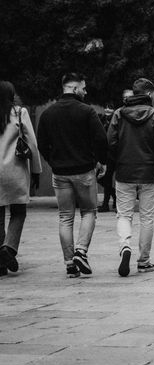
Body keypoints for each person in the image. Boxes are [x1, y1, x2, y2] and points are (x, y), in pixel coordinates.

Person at [37, 73, 108, 277]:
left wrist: (54, 161)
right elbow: (101, 139)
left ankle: (69, 263)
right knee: (89, 211)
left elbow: (42, 144)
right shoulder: (86, 112)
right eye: (83, 88)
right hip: (84, 170)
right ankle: (81, 251)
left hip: (60, 173)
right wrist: (101, 161)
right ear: (75, 88)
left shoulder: (48, 113)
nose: (85, 92)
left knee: (65, 217)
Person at [107, 78, 154, 277]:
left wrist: (120, 159)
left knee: (124, 214)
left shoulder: (119, 114)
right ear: (150, 94)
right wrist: (152, 160)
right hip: (148, 173)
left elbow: (110, 142)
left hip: (124, 172)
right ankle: (144, 261)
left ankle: (125, 245)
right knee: (147, 217)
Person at [0, 81, 42, 276]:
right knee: (18, 212)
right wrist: (36, 170)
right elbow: (31, 144)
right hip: (14, 171)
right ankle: (8, 249)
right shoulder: (19, 112)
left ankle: (0, 264)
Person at [98, 105, 116, 212]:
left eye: (110, 108)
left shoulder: (117, 118)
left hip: (115, 154)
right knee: (102, 178)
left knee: (111, 179)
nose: (108, 109)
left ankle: (106, 203)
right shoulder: (102, 120)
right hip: (105, 154)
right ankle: (113, 197)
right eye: (106, 107)